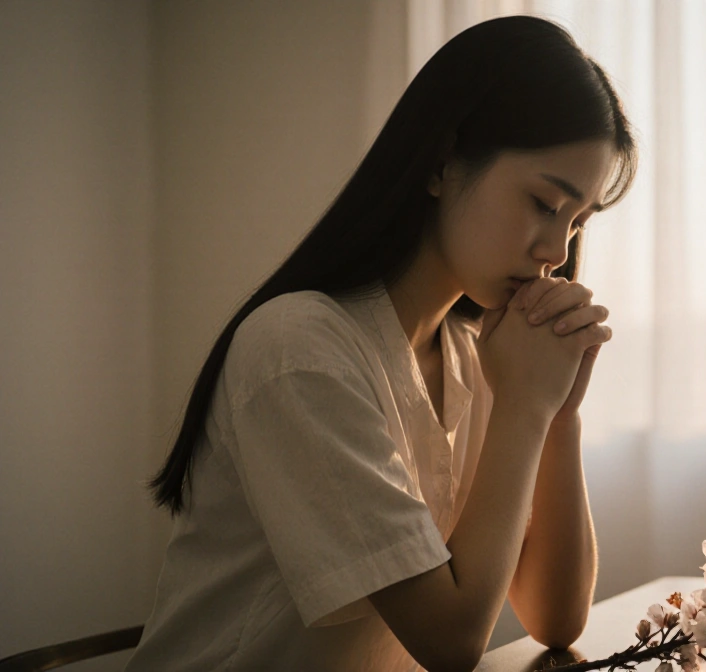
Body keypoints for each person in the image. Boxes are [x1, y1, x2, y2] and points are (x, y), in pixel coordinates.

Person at [126, 15, 638, 672]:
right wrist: (524, 408)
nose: (556, 251)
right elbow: (451, 643)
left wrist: (558, 412)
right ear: (441, 164)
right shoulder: (300, 352)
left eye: (576, 221)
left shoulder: (477, 355)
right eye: (544, 203)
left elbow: (557, 617)